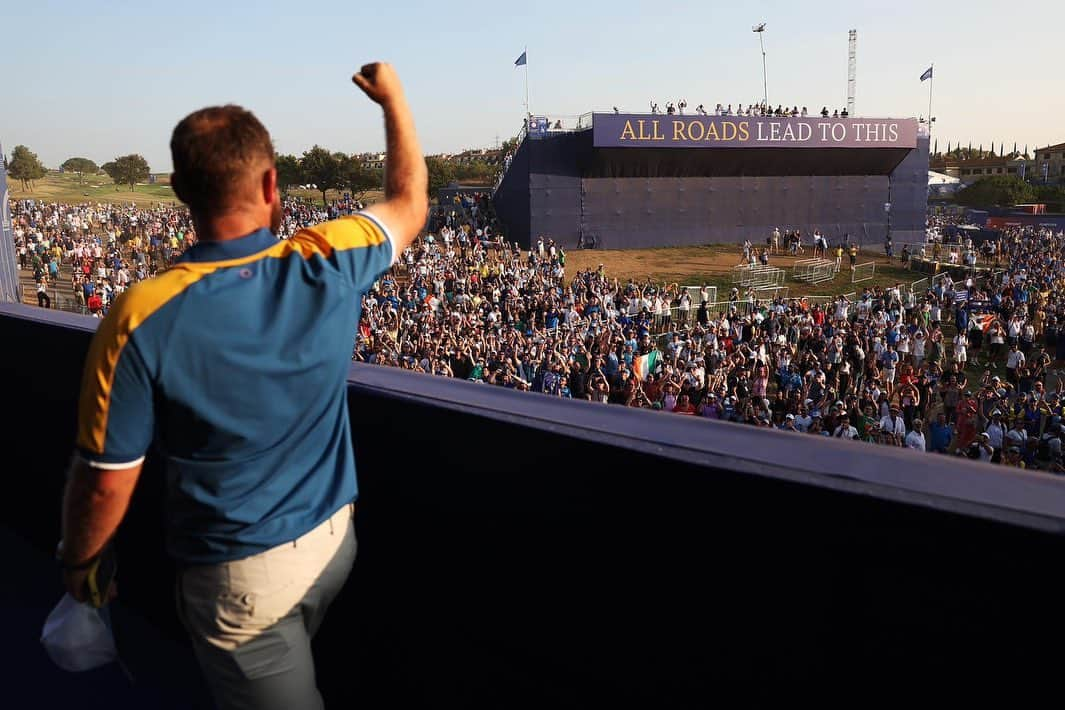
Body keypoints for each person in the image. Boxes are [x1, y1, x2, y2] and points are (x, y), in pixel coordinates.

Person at [57, 63, 428, 710]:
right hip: (335, 539)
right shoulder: (328, 257)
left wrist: (78, 565)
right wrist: (393, 101)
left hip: (240, 581)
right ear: (270, 184)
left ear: (179, 190)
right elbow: (408, 202)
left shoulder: (141, 313)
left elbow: (106, 479)